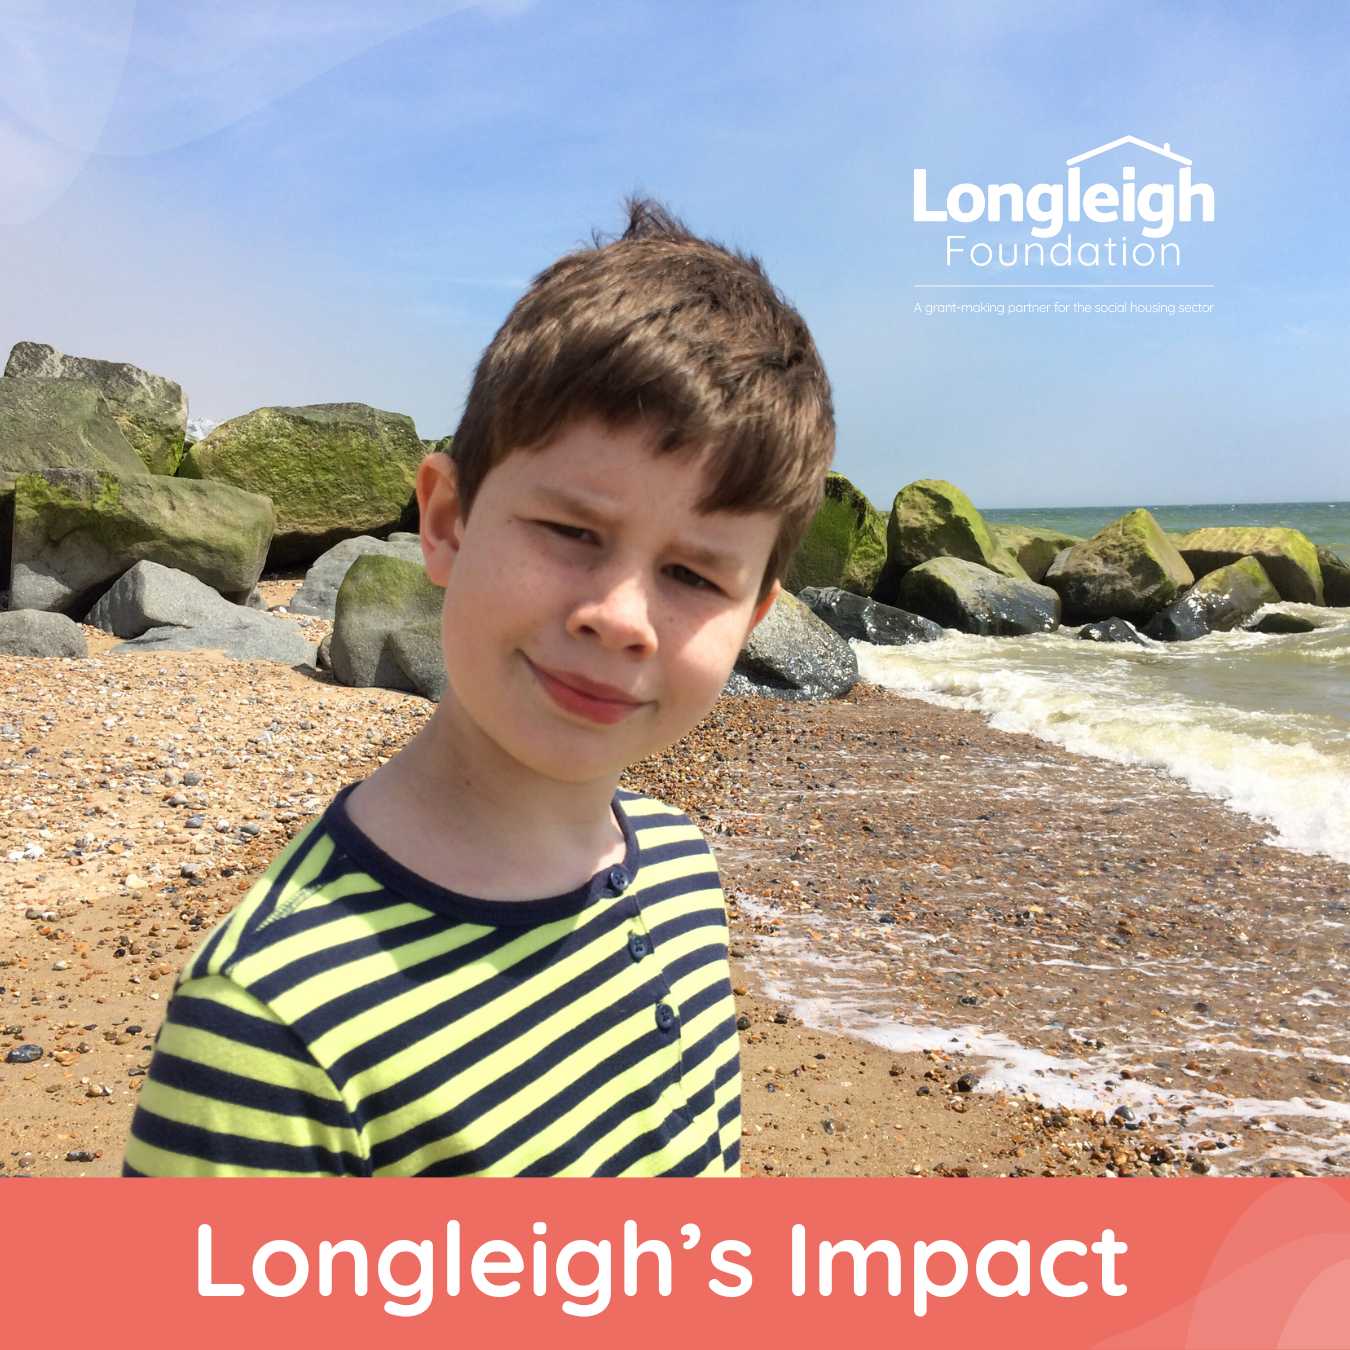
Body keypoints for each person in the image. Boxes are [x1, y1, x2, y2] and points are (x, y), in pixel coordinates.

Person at [122, 197, 835, 1176]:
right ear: (447, 521)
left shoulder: (678, 867)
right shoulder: (277, 1020)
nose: (620, 616)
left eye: (694, 576)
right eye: (573, 533)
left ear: (753, 618)